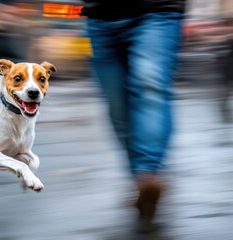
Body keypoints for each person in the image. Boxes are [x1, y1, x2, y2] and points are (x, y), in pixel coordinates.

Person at [80, 0, 186, 231]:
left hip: (158, 11)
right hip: (99, 18)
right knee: (117, 105)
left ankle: (148, 174)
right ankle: (141, 180)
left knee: (150, 86)